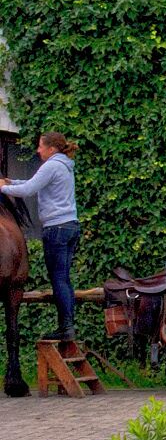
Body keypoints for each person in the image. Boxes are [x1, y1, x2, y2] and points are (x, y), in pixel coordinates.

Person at [1, 133, 80, 341]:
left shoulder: (52, 165)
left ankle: (66, 328)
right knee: (64, 279)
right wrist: (9, 181)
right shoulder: (63, 164)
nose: (38, 150)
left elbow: (28, 190)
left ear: (51, 148)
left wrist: (2, 188)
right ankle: (68, 326)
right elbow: (33, 182)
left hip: (57, 228)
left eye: (40, 146)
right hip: (70, 225)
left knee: (59, 280)